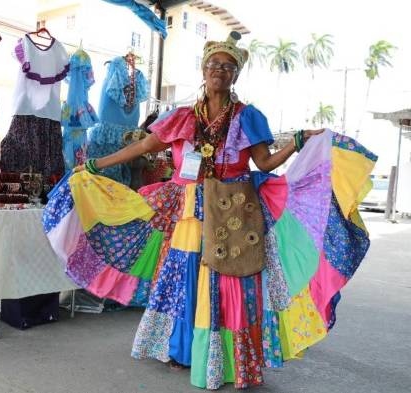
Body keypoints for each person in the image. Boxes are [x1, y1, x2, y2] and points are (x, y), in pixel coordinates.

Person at [43, 31, 377, 390]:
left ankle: (229, 359)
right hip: (186, 209)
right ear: (203, 71)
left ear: (236, 76)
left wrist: (295, 143)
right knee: (185, 278)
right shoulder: (182, 116)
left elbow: (263, 163)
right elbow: (142, 147)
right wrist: (95, 164)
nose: (220, 70)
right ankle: (183, 350)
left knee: (229, 281)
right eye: (214, 64)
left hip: (234, 210)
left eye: (228, 67)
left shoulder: (248, 117)